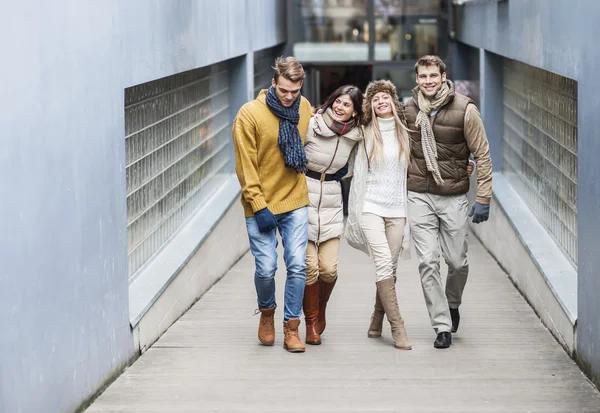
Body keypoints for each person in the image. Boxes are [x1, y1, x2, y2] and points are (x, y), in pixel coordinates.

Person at [404, 55, 493, 349]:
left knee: (457, 262)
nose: (428, 81)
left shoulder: (465, 109)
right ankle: (442, 324)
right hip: (419, 194)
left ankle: (452, 302)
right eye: (422, 76)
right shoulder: (408, 109)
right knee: (428, 262)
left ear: (443, 76)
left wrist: (483, 198)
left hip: (453, 195)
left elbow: (482, 154)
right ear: (416, 79)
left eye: (433, 75)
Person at [232, 56, 313, 353]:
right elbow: (245, 165)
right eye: (283, 91)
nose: (289, 97)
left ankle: (292, 327)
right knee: (266, 268)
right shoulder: (250, 114)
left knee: (297, 265)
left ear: (301, 85)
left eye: (294, 91)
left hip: (295, 199)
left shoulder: (304, 108)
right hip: (261, 203)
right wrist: (258, 204)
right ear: (273, 83)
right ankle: (267, 313)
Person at [345, 80, 413, 350]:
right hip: (370, 206)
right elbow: (336, 131)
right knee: (384, 262)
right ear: (370, 105)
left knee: (392, 268)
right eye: (375, 99)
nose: (381, 101)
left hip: (397, 210)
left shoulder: (406, 132)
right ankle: (398, 327)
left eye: (385, 97)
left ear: (393, 102)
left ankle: (376, 318)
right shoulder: (363, 133)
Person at [302, 85, 364, 345]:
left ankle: (321, 308)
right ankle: (311, 322)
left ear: (355, 112)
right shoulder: (311, 124)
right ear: (330, 102)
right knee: (309, 269)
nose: (340, 107)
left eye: (347, 105)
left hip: (332, 199)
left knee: (328, 269)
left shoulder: (356, 135)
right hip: (303, 195)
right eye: (337, 102)